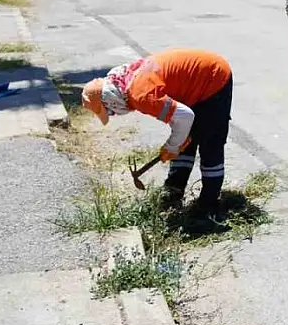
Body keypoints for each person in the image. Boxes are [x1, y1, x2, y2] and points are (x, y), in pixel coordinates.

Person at [82, 48, 233, 217]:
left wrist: (171, 146)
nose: (114, 114)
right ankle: (172, 193)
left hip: (213, 77)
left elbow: (184, 117)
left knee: (209, 143)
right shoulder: (125, 80)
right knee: (186, 140)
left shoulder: (141, 96)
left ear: (110, 100)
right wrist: (175, 145)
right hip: (194, 83)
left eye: (109, 111)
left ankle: (208, 206)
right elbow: (182, 121)